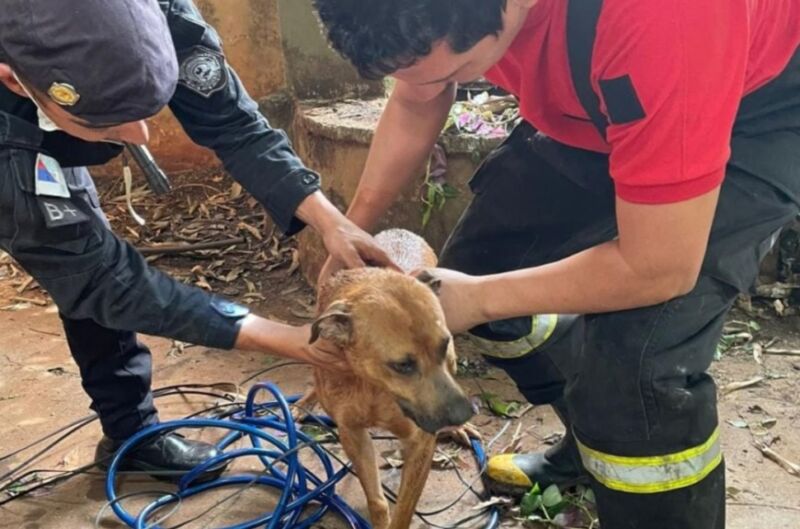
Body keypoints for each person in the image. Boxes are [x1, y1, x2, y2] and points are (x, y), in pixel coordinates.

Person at [311, 0, 800, 527]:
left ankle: (628, 447)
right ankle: (592, 448)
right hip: (602, 101)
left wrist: (478, 296)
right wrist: (353, 227)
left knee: (633, 369)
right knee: (485, 266)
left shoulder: (667, 18)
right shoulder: (439, 26)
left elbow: (660, 266)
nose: (439, 80)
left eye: (458, 70)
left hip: (748, 107)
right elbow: (416, 96)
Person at [0, 0, 394, 480]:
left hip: (43, 113)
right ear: (16, 81)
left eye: (150, 106)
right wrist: (290, 341)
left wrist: (331, 221)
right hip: (16, 137)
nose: (140, 134)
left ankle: (132, 436)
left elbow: (232, 122)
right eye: (105, 123)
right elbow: (102, 278)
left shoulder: (157, 10)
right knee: (79, 260)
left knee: (83, 241)